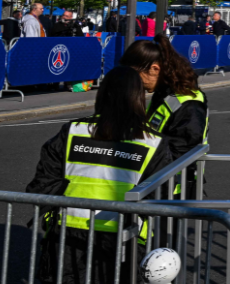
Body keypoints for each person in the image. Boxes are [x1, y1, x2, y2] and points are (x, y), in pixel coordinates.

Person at [25, 67, 170, 284]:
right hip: (123, 237)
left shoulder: (73, 130)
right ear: (139, 98)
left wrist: (51, 217)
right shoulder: (153, 142)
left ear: (102, 94)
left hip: (67, 234)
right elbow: (161, 195)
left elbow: (42, 184)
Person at [119, 36, 209, 180]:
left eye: (136, 76)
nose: (134, 83)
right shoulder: (164, 94)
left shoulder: (188, 102)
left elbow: (181, 152)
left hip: (175, 189)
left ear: (155, 69)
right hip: (159, 182)